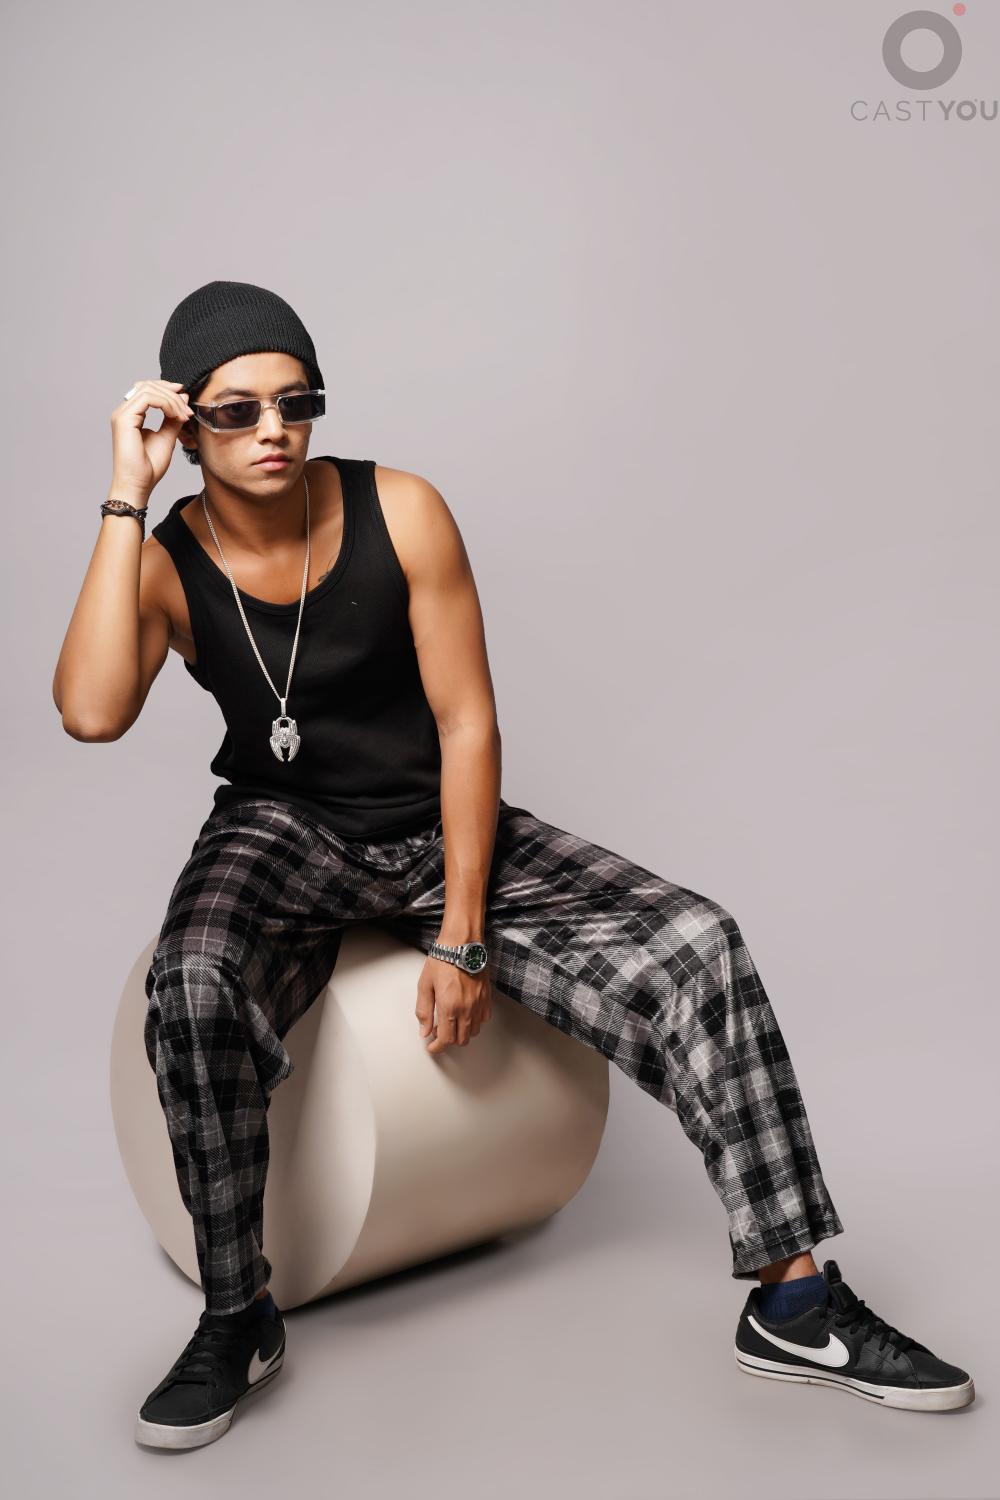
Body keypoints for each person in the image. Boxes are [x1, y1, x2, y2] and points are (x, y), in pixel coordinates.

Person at [53, 281, 975, 1449]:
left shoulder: (402, 510)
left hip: (434, 819)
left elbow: (466, 725)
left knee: (697, 944)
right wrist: (125, 495)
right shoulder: (162, 557)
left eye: (296, 401)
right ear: (184, 424)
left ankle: (792, 1305)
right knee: (189, 981)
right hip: (281, 829)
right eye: (235, 411)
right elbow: (90, 713)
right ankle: (238, 1315)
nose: (273, 429)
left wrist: (462, 936)